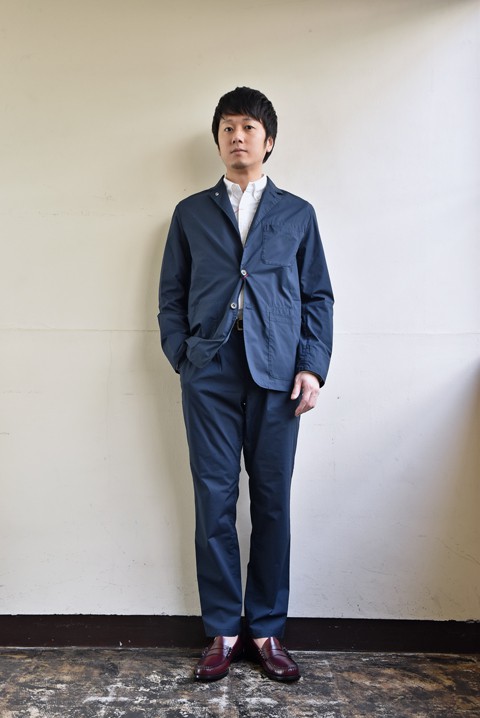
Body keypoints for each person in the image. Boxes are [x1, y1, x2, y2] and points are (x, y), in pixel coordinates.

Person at [158, 87, 333, 682]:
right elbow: (171, 295)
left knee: (273, 500)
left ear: (269, 141)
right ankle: (223, 629)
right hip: (208, 369)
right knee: (213, 499)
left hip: (278, 373)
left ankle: (267, 628)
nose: (238, 136)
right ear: (218, 140)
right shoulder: (190, 213)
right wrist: (182, 355)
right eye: (228, 127)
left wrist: (311, 366)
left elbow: (317, 296)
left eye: (249, 127)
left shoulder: (297, 213)